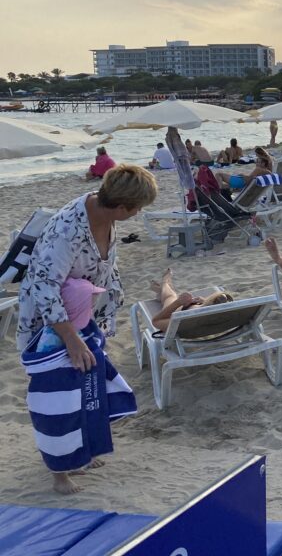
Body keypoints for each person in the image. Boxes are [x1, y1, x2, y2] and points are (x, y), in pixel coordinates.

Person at [17, 164, 158, 494]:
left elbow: (105, 268)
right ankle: (59, 474)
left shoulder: (106, 216)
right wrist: (71, 341)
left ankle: (79, 453)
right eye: (137, 209)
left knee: (87, 391)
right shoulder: (68, 231)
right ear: (122, 206)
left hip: (84, 320)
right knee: (59, 400)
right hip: (51, 328)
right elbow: (43, 286)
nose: (137, 214)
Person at [149, 268, 233, 332]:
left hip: (180, 313)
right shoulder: (229, 317)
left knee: (171, 297)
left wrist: (178, 302)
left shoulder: (184, 322)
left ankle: (165, 282)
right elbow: (212, 309)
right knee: (171, 296)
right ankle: (161, 289)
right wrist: (203, 302)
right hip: (201, 316)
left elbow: (156, 321)